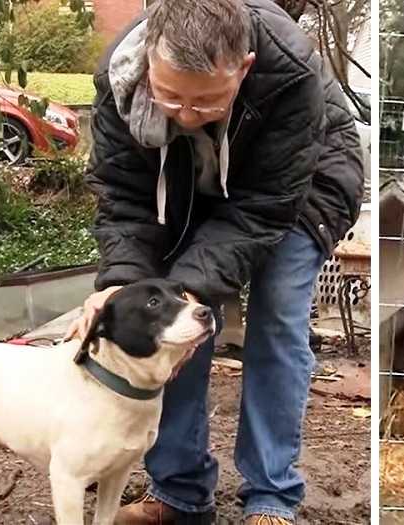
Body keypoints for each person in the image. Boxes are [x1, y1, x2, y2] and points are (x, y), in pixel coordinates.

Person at [64, 0, 364, 523]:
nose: (184, 113)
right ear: (149, 59)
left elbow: (262, 210)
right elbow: (124, 197)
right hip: (188, 191)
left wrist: (191, 290)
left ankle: (272, 496)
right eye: (171, 95)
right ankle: (178, 491)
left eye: (206, 102)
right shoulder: (121, 78)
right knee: (169, 322)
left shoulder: (289, 73)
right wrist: (122, 284)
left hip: (299, 191)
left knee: (276, 321)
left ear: (244, 67)